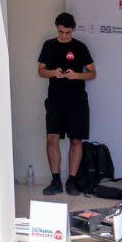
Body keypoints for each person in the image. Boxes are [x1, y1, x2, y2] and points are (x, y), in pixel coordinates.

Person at [38, 12, 95, 195]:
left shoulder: (80, 47)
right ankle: (55, 181)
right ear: (57, 28)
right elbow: (40, 71)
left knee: (76, 140)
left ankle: (72, 181)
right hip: (55, 99)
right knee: (51, 138)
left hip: (77, 100)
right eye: (61, 32)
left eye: (68, 32)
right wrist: (54, 73)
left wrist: (76, 75)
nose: (64, 36)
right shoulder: (49, 45)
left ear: (73, 29)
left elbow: (92, 73)